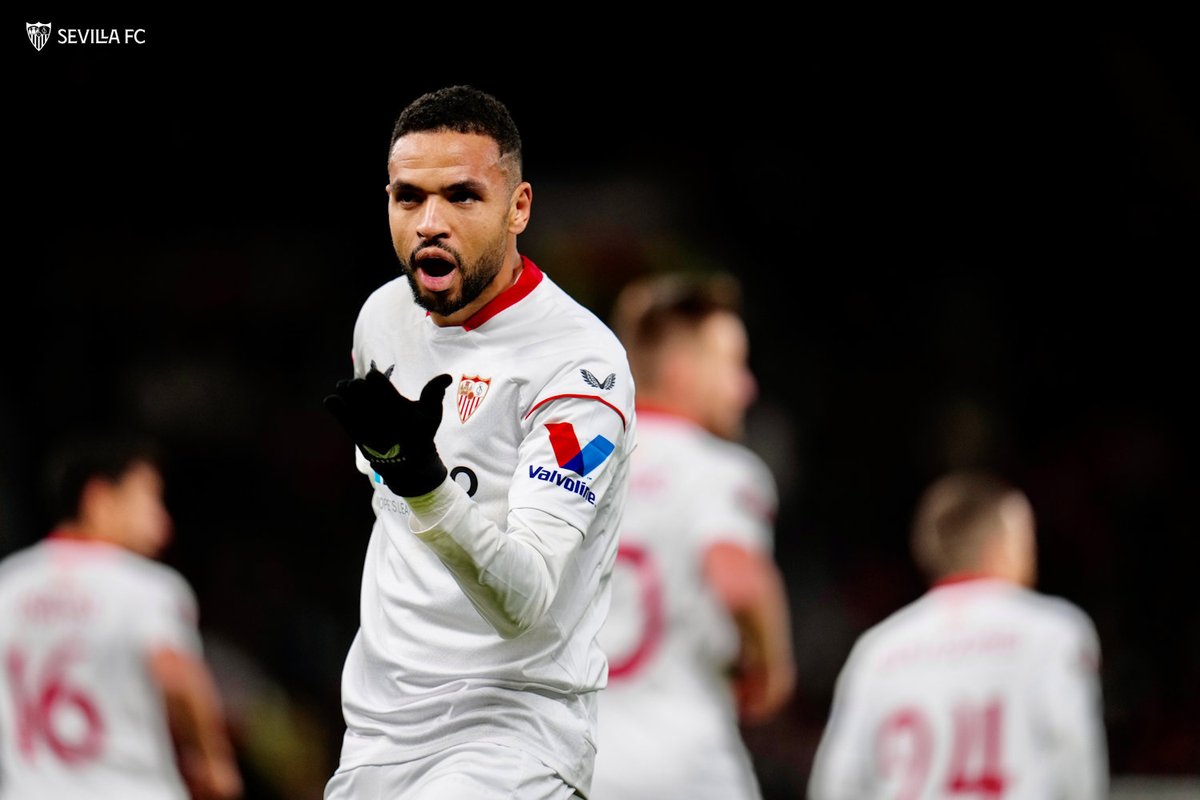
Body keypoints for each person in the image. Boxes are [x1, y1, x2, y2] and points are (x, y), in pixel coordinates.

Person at [320, 84, 636, 800]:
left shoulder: (579, 368)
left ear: (518, 207)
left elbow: (523, 598)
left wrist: (423, 481)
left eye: (462, 196)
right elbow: (392, 513)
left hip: (512, 731)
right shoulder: (383, 320)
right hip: (379, 728)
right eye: (409, 197)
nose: (430, 222)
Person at [589, 272, 796, 800]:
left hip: (578, 760)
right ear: (683, 370)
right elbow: (736, 579)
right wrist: (773, 664)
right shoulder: (718, 469)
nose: (746, 387)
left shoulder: (578, 465)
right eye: (732, 366)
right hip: (686, 760)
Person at [808, 470, 1108, 799]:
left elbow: (838, 783)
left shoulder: (878, 649)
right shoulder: (1052, 631)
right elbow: (1075, 760)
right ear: (1002, 547)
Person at [0, 432, 243, 800]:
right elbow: (176, 675)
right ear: (99, 498)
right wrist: (212, 761)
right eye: (149, 499)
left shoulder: (9, 585)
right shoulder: (147, 588)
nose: (163, 524)